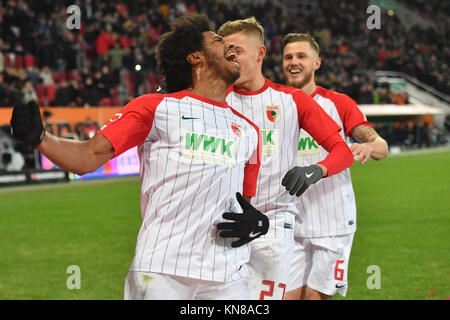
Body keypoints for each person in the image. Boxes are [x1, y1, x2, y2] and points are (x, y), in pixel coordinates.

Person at [10, 13, 267, 300]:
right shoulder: (155, 108)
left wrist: (259, 221)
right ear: (196, 57)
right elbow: (86, 157)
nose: (230, 47)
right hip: (162, 273)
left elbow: (246, 204)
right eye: (219, 41)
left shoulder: (248, 130)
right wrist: (41, 139)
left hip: (228, 277)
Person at [218, 17, 354, 300]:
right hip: (225, 221)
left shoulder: (291, 100)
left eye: (238, 51)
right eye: (227, 53)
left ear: (260, 54)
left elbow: (341, 151)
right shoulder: (214, 100)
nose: (231, 59)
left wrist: (316, 170)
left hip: (275, 225)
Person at [281, 33, 389, 300]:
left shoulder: (337, 102)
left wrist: (367, 146)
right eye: (288, 57)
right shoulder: (276, 103)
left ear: (317, 62)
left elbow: (381, 146)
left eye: (301, 56)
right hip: (289, 220)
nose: (294, 62)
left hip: (332, 222)